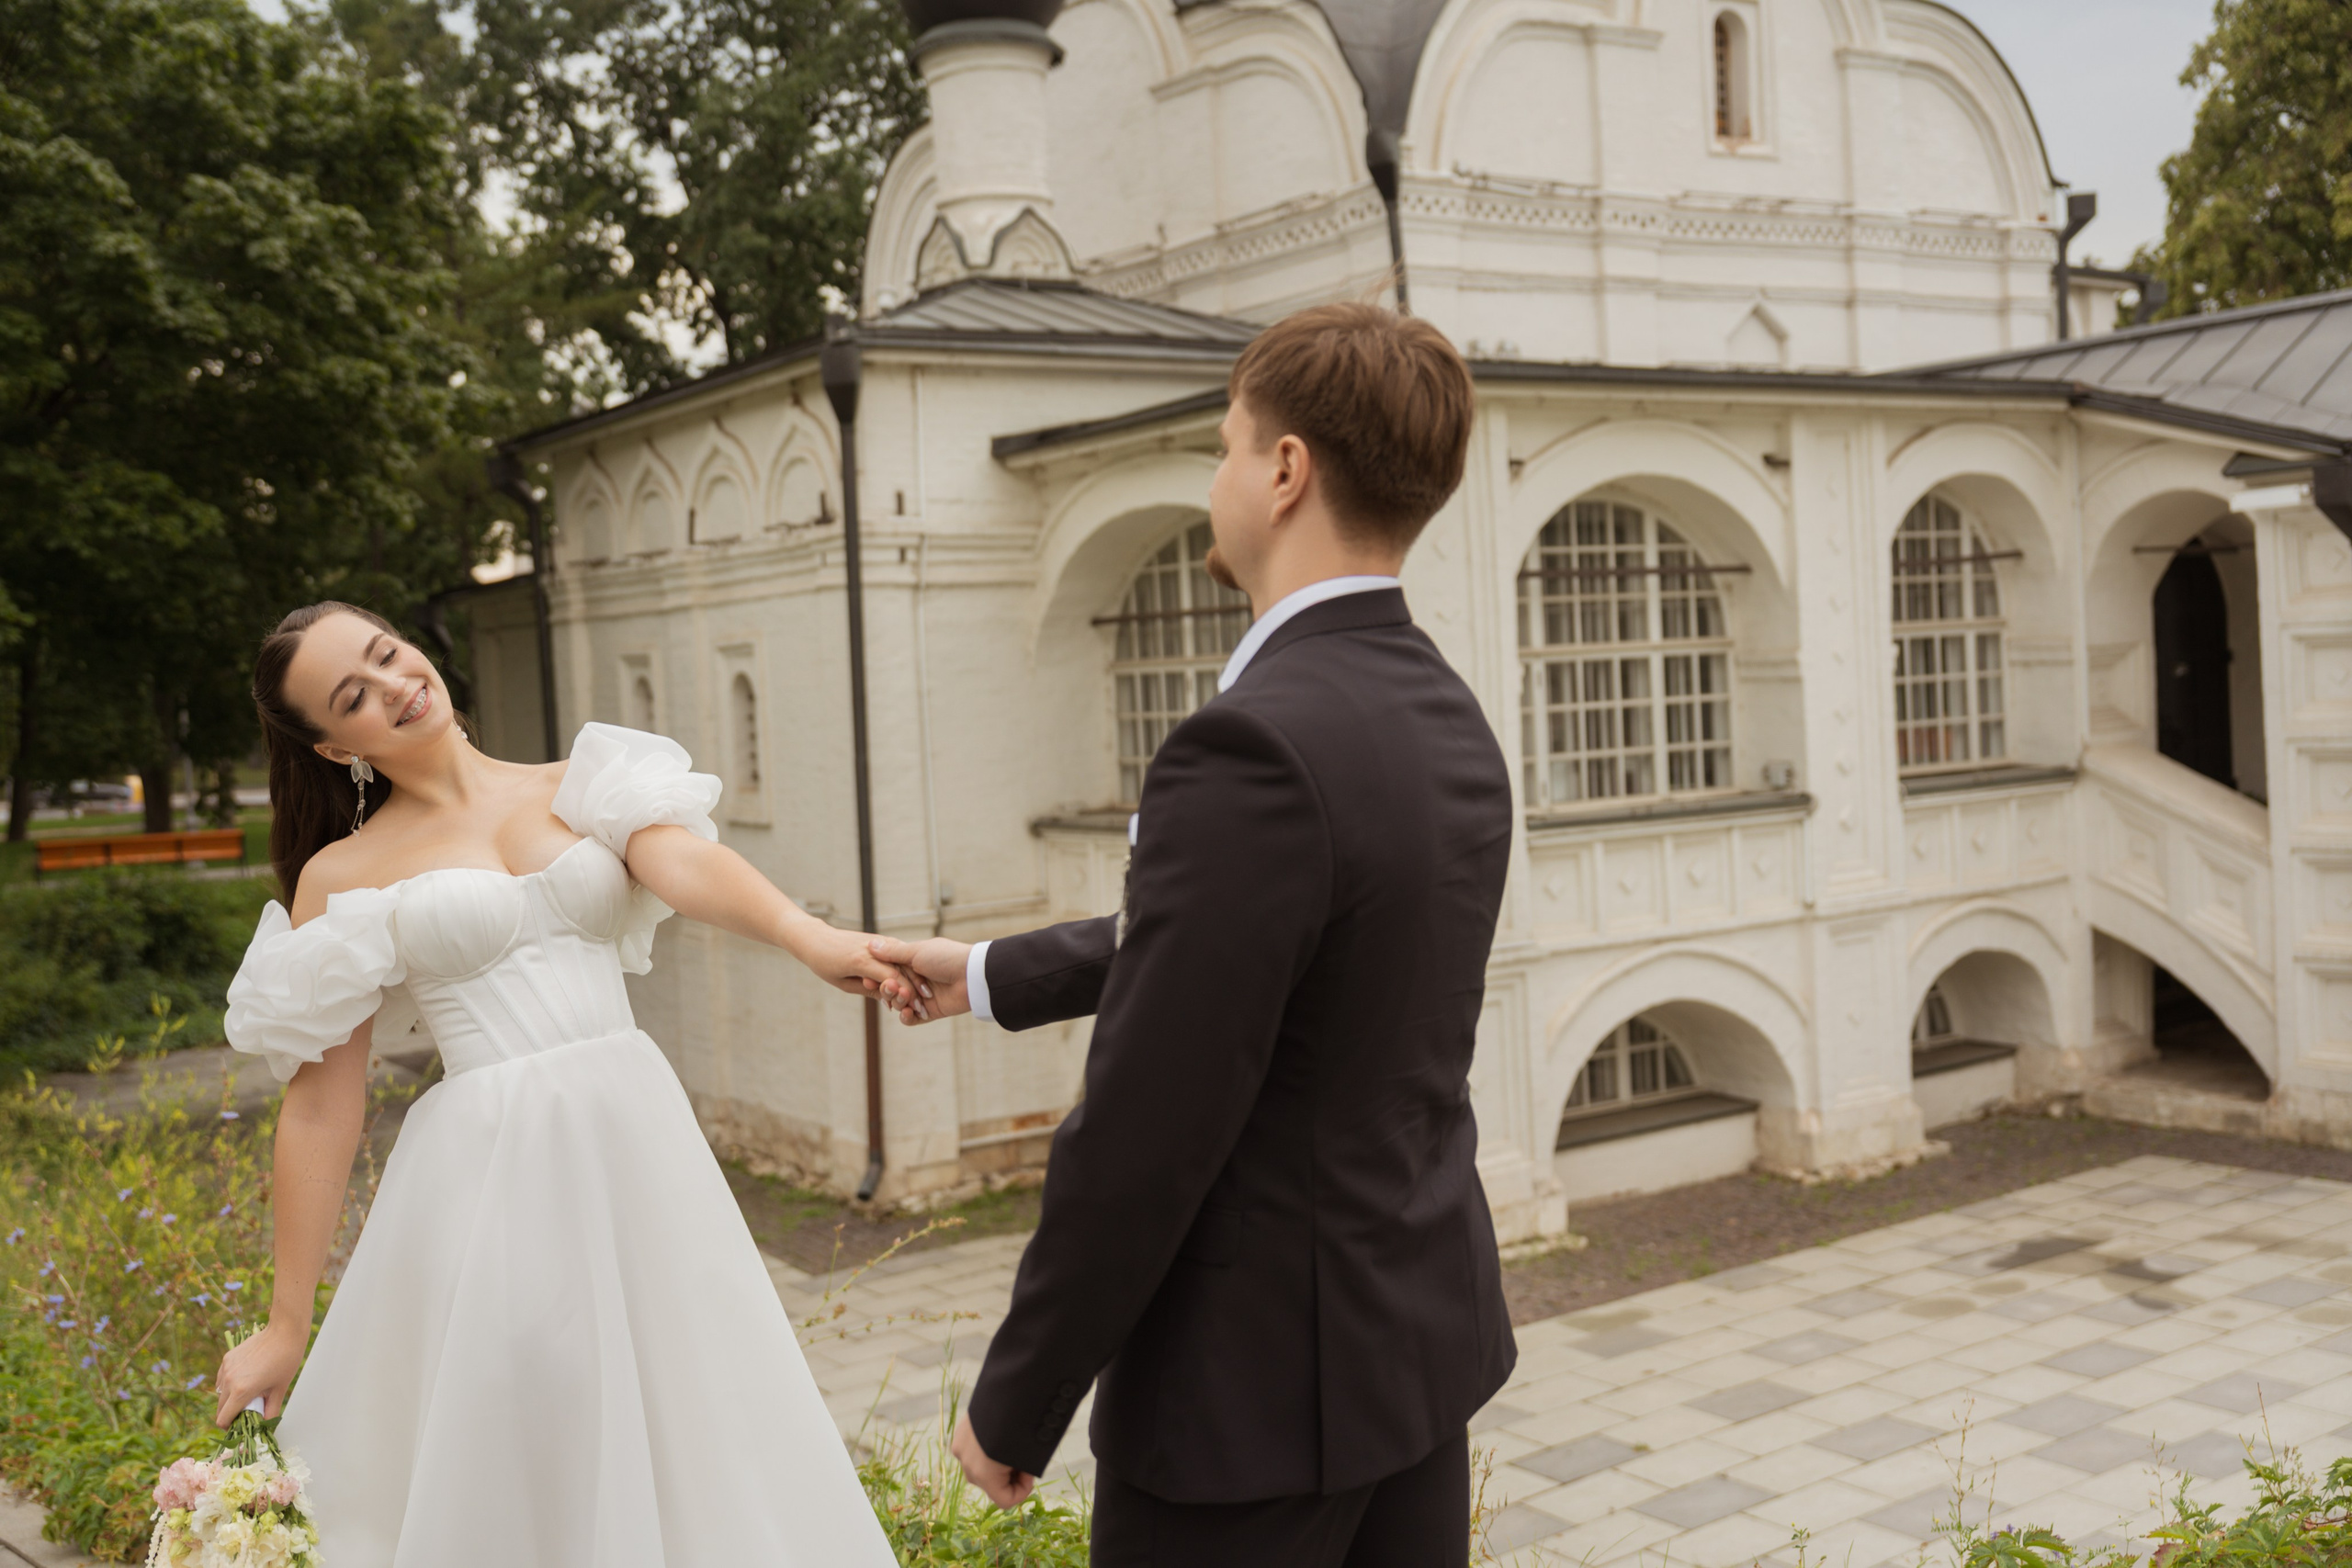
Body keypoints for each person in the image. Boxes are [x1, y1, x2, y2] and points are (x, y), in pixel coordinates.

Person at [872, 300, 1519, 1567]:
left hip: (1248, 1406)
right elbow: (1281, 956)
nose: (1215, 476)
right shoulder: (1444, 709)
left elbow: (1148, 1124)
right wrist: (995, 974)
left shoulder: (1251, 741)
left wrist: (1021, 1394)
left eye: (1226, 445)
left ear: (1285, 471)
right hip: (1412, 1356)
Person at [210, 601, 916, 1566]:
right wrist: (287, 1320)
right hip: (490, 1181)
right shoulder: (341, 875)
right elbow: (322, 1104)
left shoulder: (584, 782)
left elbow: (686, 866)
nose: (395, 685)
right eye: (354, 696)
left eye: (388, 654)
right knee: (535, 1431)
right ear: (335, 747)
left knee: (696, 1408)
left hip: (637, 1150)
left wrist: (810, 937)